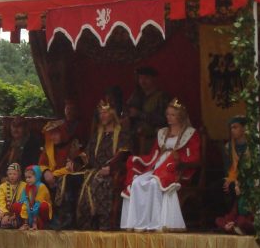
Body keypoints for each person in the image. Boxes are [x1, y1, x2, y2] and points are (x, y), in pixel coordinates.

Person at [121, 98, 201, 232]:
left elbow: (194, 156)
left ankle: (157, 223)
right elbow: (154, 153)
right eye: (168, 114)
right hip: (158, 167)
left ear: (180, 116)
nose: (169, 117)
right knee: (137, 182)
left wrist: (179, 159)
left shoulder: (190, 133)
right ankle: (140, 223)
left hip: (175, 169)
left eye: (173, 115)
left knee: (154, 183)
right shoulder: (162, 132)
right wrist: (139, 159)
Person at [75, 100, 131, 230]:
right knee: (69, 179)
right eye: (100, 113)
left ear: (112, 114)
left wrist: (111, 168)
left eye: (105, 112)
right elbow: (86, 155)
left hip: (112, 172)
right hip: (94, 171)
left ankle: (103, 224)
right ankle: (85, 224)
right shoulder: (97, 135)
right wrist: (75, 163)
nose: (102, 116)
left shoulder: (122, 134)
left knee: (98, 182)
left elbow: (124, 155)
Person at [216, 117, 254, 235]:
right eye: (231, 128)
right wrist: (229, 179)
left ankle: (241, 219)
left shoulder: (252, 146)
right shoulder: (229, 146)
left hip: (248, 177)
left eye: (235, 127)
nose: (232, 130)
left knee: (236, 187)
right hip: (233, 176)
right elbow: (228, 167)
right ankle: (229, 218)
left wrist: (238, 180)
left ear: (244, 128)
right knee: (219, 187)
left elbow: (252, 167)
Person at [126, 66, 171, 155]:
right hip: (135, 140)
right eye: (140, 78)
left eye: (146, 78)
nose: (143, 81)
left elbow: (164, 120)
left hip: (153, 140)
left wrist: (139, 114)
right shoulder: (137, 96)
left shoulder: (162, 97)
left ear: (153, 79)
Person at [0, 116, 42, 185]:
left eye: (19, 126)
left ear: (25, 128)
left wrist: (14, 177)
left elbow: (32, 164)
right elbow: (1, 161)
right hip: (6, 173)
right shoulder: (8, 141)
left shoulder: (32, 142)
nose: (15, 129)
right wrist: (3, 176)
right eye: (13, 126)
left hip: (23, 175)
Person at [18, 165, 52, 230]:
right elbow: (23, 200)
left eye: (29, 177)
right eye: (26, 178)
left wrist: (34, 222)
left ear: (37, 176)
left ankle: (42, 224)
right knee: (19, 205)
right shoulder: (26, 187)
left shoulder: (41, 186)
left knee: (43, 205)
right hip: (30, 209)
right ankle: (25, 224)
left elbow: (38, 203)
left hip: (39, 213)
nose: (27, 180)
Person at [0, 163, 24, 228]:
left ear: (19, 174)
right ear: (7, 174)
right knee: (5, 222)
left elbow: (25, 201)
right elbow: (0, 202)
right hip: (6, 213)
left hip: (20, 213)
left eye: (14, 174)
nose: (12, 176)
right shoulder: (2, 186)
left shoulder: (24, 185)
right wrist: (6, 214)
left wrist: (16, 214)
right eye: (10, 174)